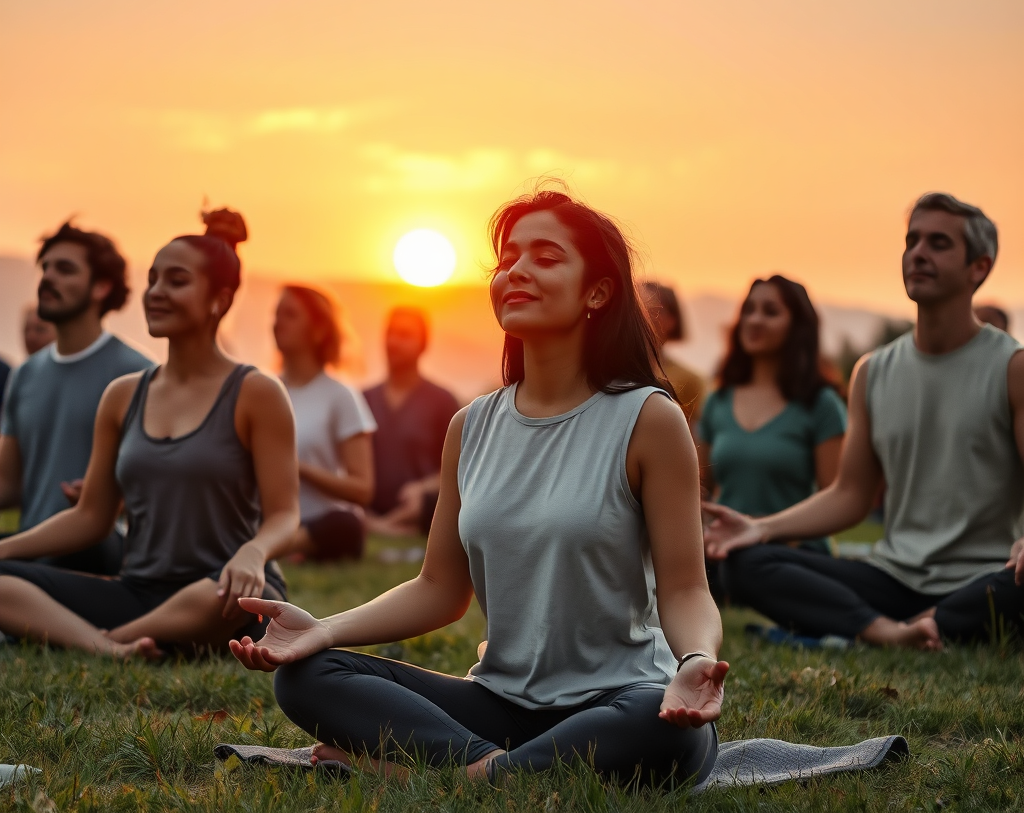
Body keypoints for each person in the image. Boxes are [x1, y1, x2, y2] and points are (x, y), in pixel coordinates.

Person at [230, 188, 727, 786]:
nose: (516, 272)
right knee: (308, 675)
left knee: (661, 724)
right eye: (507, 259)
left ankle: (438, 770)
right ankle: (498, 771)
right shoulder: (471, 427)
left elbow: (684, 588)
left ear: (598, 291)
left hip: (621, 702)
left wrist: (694, 660)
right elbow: (440, 588)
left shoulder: (647, 418)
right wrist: (323, 630)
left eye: (545, 257)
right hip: (499, 705)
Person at [704, 193, 1024, 649]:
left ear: (979, 267)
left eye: (938, 243)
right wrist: (761, 528)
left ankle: (919, 622)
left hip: (984, 580)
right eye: (912, 240)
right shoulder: (873, 372)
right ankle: (890, 631)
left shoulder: (1012, 368)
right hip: (892, 578)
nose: (918, 253)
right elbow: (850, 495)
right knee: (745, 561)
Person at [0, 209, 299, 657]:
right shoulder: (123, 395)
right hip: (138, 591)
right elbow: (91, 517)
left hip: (222, 591)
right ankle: (119, 648)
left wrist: (255, 552)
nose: (156, 293)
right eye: (153, 280)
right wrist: (4, 549)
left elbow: (285, 514)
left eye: (176, 281)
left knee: (226, 598)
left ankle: (103, 640)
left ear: (219, 298)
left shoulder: (256, 393)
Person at [0, 222, 153, 575]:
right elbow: (7, 484)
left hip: (101, 556)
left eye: (64, 269)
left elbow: (161, 492)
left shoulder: (138, 374)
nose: (48, 278)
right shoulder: (26, 374)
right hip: (29, 551)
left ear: (102, 287)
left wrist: (109, 500)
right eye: (46, 268)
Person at [698, 276, 846, 569]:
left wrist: (766, 532)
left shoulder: (821, 404)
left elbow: (837, 500)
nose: (754, 320)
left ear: (798, 326)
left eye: (770, 311)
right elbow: (698, 493)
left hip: (797, 557)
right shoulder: (718, 401)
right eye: (749, 310)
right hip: (725, 555)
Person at [274, 285, 377, 562]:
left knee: (347, 524)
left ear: (318, 331)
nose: (277, 322)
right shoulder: (264, 390)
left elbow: (362, 489)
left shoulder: (340, 396)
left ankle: (282, 548)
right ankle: (283, 547)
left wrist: (297, 468)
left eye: (290, 315)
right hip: (269, 518)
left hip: (321, 523)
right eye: (277, 313)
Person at [363, 308, 459, 537]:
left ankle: (383, 527)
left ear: (423, 345)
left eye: (405, 335)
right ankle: (386, 528)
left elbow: (460, 466)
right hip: (367, 508)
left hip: (421, 507)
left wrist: (424, 488)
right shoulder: (363, 399)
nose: (394, 342)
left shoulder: (442, 401)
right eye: (390, 333)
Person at [641, 282, 705, 426]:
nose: (643, 316)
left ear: (672, 320)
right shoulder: (609, 373)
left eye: (653, 310)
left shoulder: (690, 380)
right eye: (639, 308)